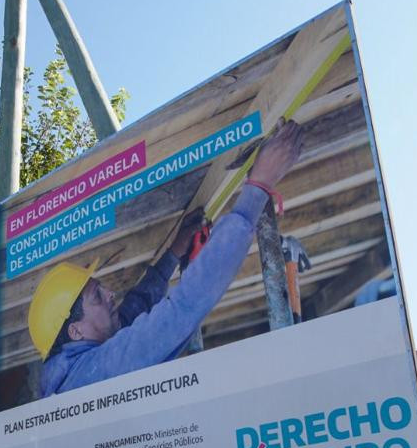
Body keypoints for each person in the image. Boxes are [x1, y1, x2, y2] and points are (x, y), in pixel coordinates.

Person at [30, 119, 305, 397]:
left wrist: (173, 254)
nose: (111, 294)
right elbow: (181, 310)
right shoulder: (91, 378)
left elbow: (131, 313)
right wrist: (257, 188)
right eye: (97, 297)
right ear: (76, 332)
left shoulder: (79, 369)